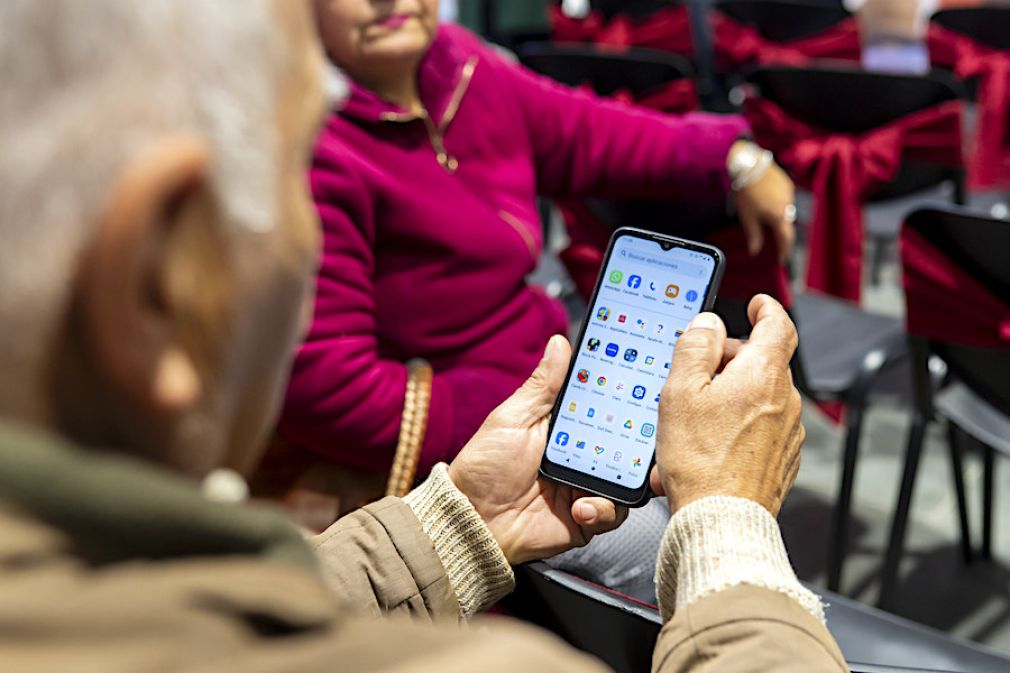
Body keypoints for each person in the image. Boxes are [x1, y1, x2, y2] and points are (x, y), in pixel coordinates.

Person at [0, 1, 845, 671]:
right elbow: (325, 383)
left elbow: (602, 134)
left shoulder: (469, 75)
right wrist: (729, 524)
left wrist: (461, 520)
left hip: (511, 451)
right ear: (152, 275)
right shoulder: (334, 137)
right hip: (483, 431)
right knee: (687, 546)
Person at [275, 0, 797, 508]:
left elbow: (586, 130)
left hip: (552, 390)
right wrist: (520, 412)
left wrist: (731, 155)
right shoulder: (310, 147)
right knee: (697, 526)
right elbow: (327, 391)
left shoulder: (457, 64)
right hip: (466, 457)